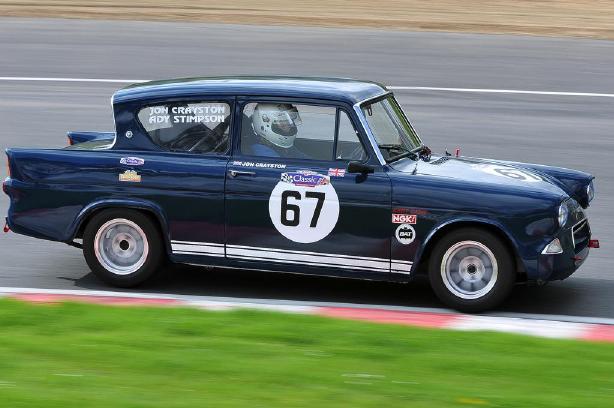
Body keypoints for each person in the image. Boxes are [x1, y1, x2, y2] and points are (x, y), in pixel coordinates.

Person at [243, 103, 308, 158]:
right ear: (264, 126)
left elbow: (303, 158)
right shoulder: (263, 154)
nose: (290, 125)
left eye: (290, 120)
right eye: (282, 122)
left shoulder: (282, 146)